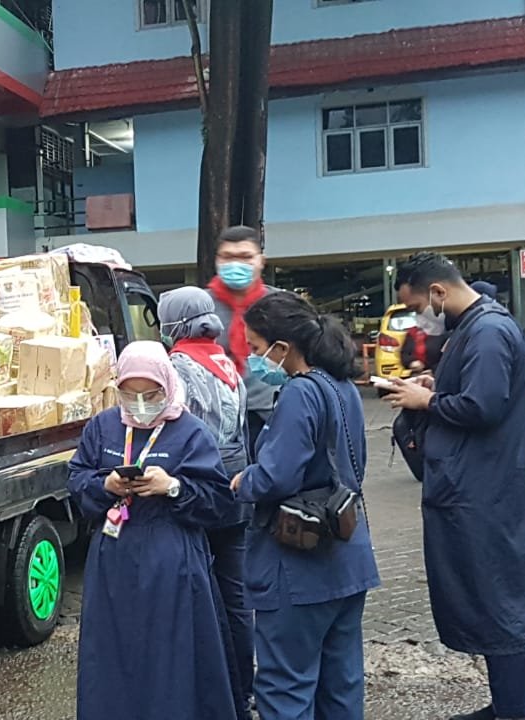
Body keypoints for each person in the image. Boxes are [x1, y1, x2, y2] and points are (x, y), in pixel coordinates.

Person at [385, 252, 525, 720]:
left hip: (485, 492)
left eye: (417, 308)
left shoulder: (487, 330)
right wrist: (438, 383)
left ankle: (517, 709)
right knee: (488, 597)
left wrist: (427, 398)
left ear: (438, 292)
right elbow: (474, 391)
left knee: (497, 600)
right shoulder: (473, 328)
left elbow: (483, 406)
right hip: (476, 485)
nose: (419, 319)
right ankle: (512, 704)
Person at [67, 341, 238, 720]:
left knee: (170, 653)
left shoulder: (191, 431)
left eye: (151, 394)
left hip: (171, 560)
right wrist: (104, 485)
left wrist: (173, 487)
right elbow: (76, 478)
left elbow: (219, 501)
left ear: (168, 385)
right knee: (112, 651)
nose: (141, 403)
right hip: (113, 560)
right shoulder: (103, 427)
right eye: (131, 394)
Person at [228, 292, 379, 720]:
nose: (255, 359)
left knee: (285, 686)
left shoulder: (299, 393)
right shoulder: (342, 385)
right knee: (341, 683)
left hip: (298, 563)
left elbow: (277, 475)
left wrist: (243, 480)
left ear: (282, 347)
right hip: (347, 556)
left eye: (256, 348)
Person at [157, 287, 253, 717]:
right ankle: (244, 688)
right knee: (236, 596)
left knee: (200, 593)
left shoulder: (177, 366)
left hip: (199, 489)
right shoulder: (226, 361)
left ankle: (211, 685)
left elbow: (181, 435)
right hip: (235, 490)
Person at [207, 225, 277, 454]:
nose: (235, 264)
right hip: (215, 417)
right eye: (228, 257)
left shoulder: (281, 305)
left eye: (245, 257)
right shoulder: (199, 306)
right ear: (217, 260)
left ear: (261, 261)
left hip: (271, 412)